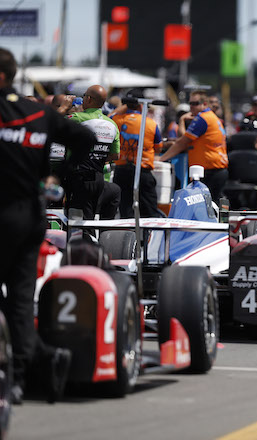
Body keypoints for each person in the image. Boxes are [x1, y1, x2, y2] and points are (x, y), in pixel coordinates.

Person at [0, 47, 97, 404]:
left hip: (6, 215)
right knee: (20, 300)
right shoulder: (39, 113)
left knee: (17, 300)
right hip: (31, 217)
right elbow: (87, 140)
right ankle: (29, 370)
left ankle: (25, 369)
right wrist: (57, 175)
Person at [157, 90, 228, 205]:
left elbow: (182, 142)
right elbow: (184, 139)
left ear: (204, 104)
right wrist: (182, 120)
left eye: (195, 104)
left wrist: (161, 159)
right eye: (190, 103)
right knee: (210, 207)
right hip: (215, 169)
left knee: (203, 207)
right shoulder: (210, 116)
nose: (191, 107)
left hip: (210, 171)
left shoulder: (202, 118)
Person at [65, 84, 120, 219]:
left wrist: (64, 107)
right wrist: (97, 156)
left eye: (84, 96)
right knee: (90, 217)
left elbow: (51, 123)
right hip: (99, 178)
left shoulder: (77, 118)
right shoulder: (112, 124)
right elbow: (115, 155)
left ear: (88, 99)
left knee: (77, 219)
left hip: (79, 177)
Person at [111, 89, 163, 218]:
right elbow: (158, 148)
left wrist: (123, 108)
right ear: (141, 105)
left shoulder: (115, 119)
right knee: (150, 212)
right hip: (143, 171)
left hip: (121, 171)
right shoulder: (151, 123)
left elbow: (108, 117)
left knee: (125, 212)